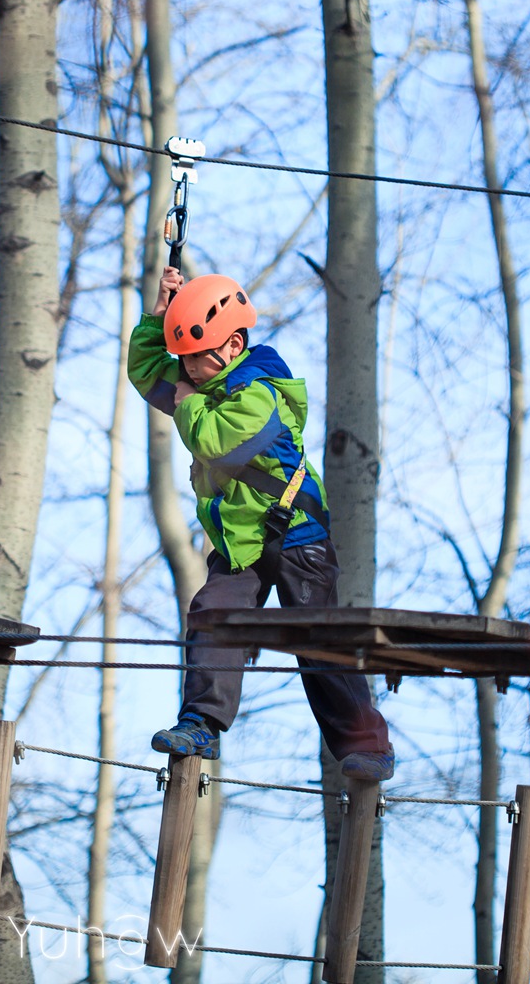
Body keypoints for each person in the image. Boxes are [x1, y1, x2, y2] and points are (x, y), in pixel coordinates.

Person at [128, 266, 395, 781]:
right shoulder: (201, 382)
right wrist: (159, 316)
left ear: (231, 344)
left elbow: (212, 439)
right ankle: (201, 724)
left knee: (318, 643)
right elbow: (146, 372)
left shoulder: (261, 392)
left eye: (193, 356)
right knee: (213, 617)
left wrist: (184, 400)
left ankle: (368, 745)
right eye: (180, 356)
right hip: (240, 539)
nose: (184, 366)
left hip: (298, 536)